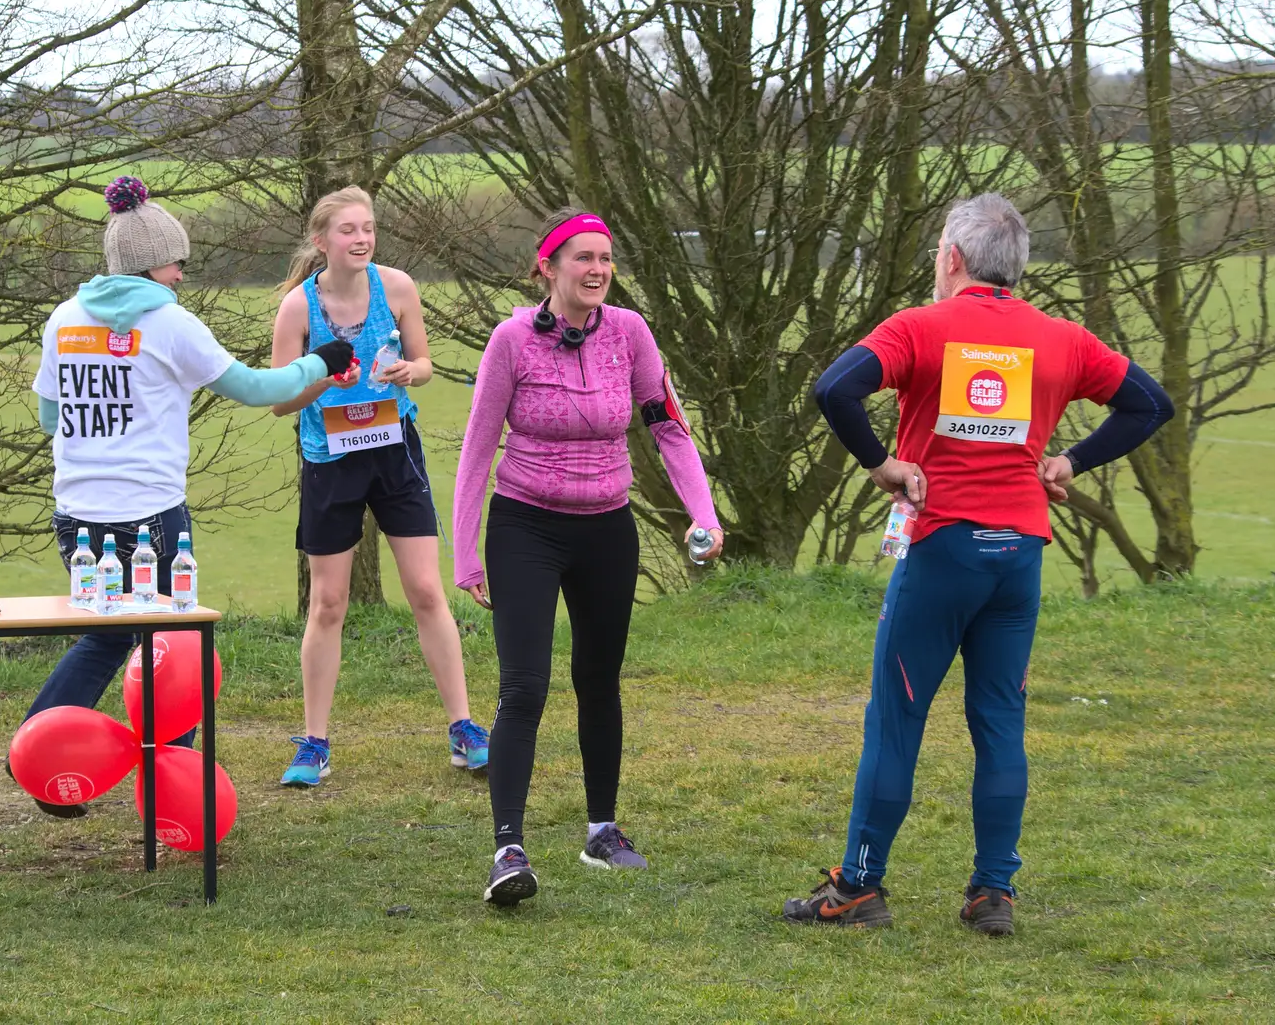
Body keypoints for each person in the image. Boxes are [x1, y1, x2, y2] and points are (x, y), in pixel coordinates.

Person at [786, 193, 1174, 934]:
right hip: (1018, 557)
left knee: (897, 718)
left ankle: (858, 888)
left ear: (951, 259)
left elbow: (834, 388)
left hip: (941, 550)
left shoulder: (919, 327)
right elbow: (1151, 405)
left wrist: (882, 464)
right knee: (1000, 720)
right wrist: (1070, 461)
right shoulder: (1062, 339)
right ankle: (993, 893)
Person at [19, 175, 355, 817]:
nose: (182, 274)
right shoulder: (171, 324)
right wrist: (323, 361)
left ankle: (42, 756)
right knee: (173, 646)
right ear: (153, 264)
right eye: (179, 262)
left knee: (107, 637)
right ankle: (173, 787)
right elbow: (257, 390)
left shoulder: (63, 318)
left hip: (76, 512)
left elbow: (47, 417)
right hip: (149, 516)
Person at [454, 208, 724, 907]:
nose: (598, 269)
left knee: (599, 681)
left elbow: (666, 425)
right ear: (548, 267)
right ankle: (508, 849)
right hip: (526, 529)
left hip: (607, 528)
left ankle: (601, 829)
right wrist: (465, 552)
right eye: (582, 257)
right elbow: (479, 449)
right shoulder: (512, 341)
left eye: (605, 257)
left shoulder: (631, 333)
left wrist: (704, 512)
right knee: (525, 689)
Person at [269, 186, 489, 788]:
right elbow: (279, 401)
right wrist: (322, 376)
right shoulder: (297, 309)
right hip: (330, 458)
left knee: (424, 588)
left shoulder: (398, 287)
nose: (362, 238)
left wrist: (405, 371)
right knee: (329, 602)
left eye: (368, 228)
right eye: (348, 230)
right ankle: (314, 743)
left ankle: (465, 728)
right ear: (322, 242)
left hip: (394, 450)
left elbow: (424, 364)